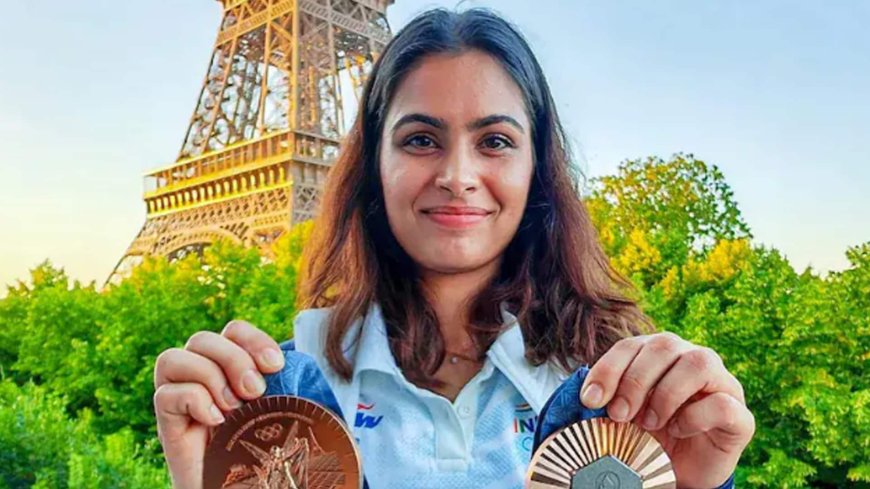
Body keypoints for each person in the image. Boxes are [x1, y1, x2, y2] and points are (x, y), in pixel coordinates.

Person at [153, 7, 754, 489]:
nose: (457, 174)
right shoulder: (279, 398)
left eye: (494, 140)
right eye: (420, 139)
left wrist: (700, 485)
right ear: (374, 167)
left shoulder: (622, 393)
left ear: (537, 169)